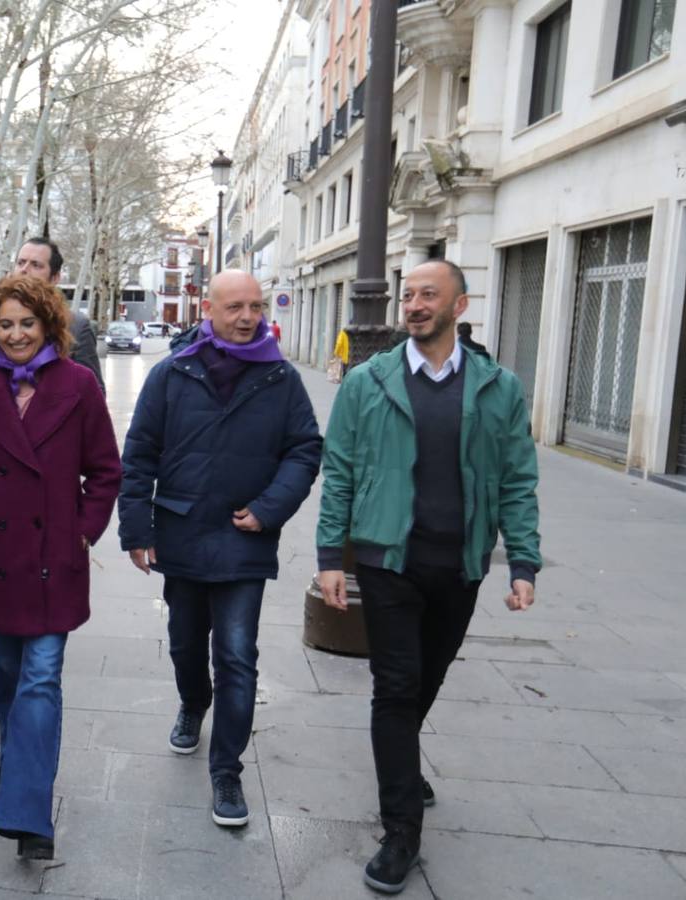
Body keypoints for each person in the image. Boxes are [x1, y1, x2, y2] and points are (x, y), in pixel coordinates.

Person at [316, 259, 540, 894]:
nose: (412, 304)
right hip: (390, 561)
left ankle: (401, 764)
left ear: (458, 307)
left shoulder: (499, 387)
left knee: (426, 680)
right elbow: (341, 472)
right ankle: (400, 832)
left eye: (427, 295)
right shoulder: (369, 382)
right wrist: (331, 556)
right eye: (407, 295)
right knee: (395, 686)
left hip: (461, 564)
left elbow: (518, 479)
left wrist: (522, 562)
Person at [118, 269, 321, 828]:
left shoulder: (280, 378)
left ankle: (226, 769)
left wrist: (269, 508)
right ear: (208, 309)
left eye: (255, 305)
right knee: (185, 643)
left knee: (237, 655)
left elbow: (305, 450)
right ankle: (192, 701)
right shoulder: (171, 374)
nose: (248, 316)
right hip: (181, 532)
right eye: (235, 306)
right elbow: (139, 455)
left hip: (243, 538)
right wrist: (137, 529)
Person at [0, 274, 121, 860]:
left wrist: (82, 532)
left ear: (49, 324)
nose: (17, 334)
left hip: (53, 557)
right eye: (6, 324)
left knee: (41, 677)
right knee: (8, 675)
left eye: (27, 322)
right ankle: (16, 764)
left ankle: (30, 814)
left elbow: (105, 471)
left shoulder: (78, 385)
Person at [13, 237, 105, 391]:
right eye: (20, 263)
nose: (24, 269)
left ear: (54, 278)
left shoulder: (76, 326)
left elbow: (94, 395)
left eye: (36, 265)